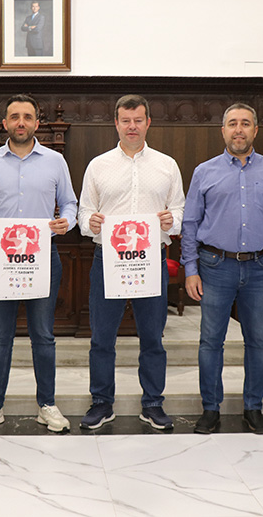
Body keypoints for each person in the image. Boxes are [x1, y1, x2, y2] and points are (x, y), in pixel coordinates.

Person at [181, 103, 263, 435]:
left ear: (255, 130)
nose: (239, 129)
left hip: (261, 268)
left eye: (245, 124)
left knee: (258, 341)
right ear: (223, 131)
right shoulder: (204, 171)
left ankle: (253, 407)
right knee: (210, 341)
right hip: (214, 266)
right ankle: (210, 409)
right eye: (232, 124)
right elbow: (190, 224)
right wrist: (190, 269)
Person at [0, 94, 77, 433]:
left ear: (36, 122)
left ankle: (47, 404)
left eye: (27, 117)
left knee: (43, 335)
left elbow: (70, 204)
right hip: (1, 258)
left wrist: (67, 222)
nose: (21, 122)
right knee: (0, 336)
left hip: (44, 257)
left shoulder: (55, 161)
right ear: (4, 123)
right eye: (14, 116)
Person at [78, 94, 185, 430]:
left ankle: (152, 404)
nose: (132, 126)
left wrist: (172, 221)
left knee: (152, 337)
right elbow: (84, 213)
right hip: (107, 259)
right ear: (117, 123)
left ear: (148, 122)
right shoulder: (98, 165)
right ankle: (101, 402)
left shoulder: (166, 165)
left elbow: (180, 210)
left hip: (151, 258)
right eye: (126, 121)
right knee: (102, 337)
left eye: (138, 120)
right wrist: (90, 223)